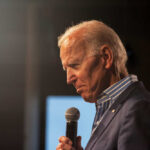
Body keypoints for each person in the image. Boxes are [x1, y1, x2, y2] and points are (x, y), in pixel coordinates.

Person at [56, 20, 150, 150]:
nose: (69, 79)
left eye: (74, 65)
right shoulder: (113, 106)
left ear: (106, 57)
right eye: (66, 69)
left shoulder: (137, 108)